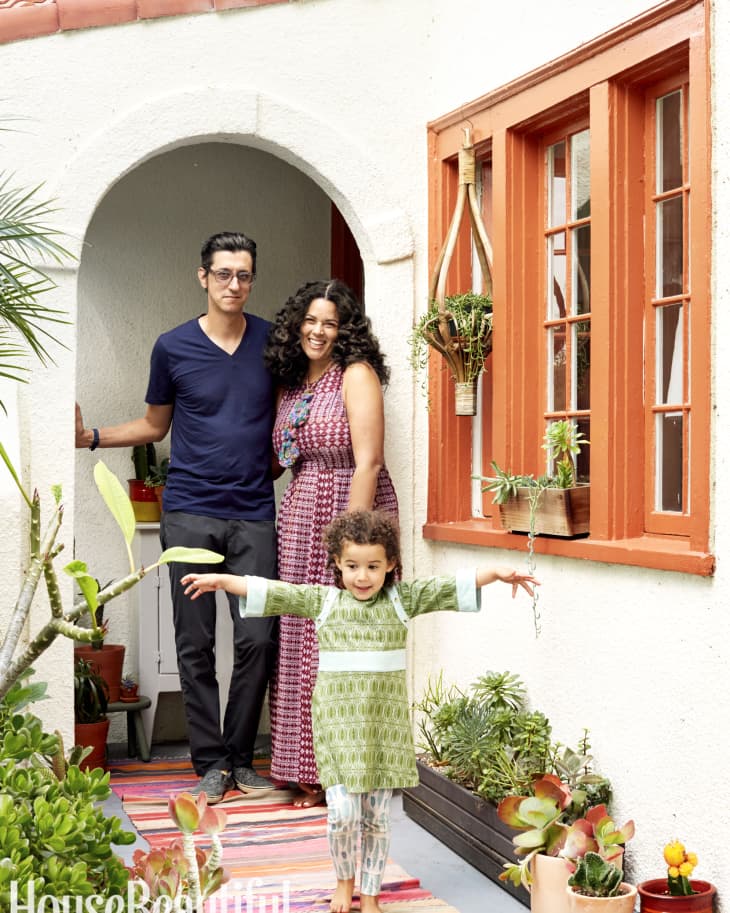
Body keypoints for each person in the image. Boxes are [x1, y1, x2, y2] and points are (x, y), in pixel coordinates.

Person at [181, 508, 539, 913]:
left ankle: (369, 895)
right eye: (352, 566)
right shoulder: (326, 601)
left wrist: (497, 572)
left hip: (383, 733)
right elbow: (275, 591)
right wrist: (220, 580)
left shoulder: (402, 601)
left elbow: (448, 587)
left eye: (373, 566)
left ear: (390, 565)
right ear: (337, 562)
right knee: (343, 815)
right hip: (338, 730)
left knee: (376, 819)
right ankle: (343, 882)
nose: (362, 576)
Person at [75, 231, 279, 803]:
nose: (233, 284)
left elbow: (290, 416)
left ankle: (242, 759)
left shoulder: (272, 342)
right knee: (194, 643)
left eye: (243, 275)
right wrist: (91, 436)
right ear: (203, 277)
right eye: (223, 274)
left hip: (255, 515)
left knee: (257, 640)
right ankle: (211, 762)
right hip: (189, 513)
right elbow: (153, 426)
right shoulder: (173, 347)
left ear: (251, 279)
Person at [262, 279, 398, 808]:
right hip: (299, 511)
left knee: (338, 643)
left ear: (345, 331)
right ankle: (302, 768)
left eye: (331, 323)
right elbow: (285, 457)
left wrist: (352, 545)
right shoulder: (293, 383)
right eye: (311, 321)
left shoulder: (355, 375)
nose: (319, 331)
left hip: (345, 508)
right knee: (300, 638)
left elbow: (368, 461)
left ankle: (337, 767)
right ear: (297, 324)